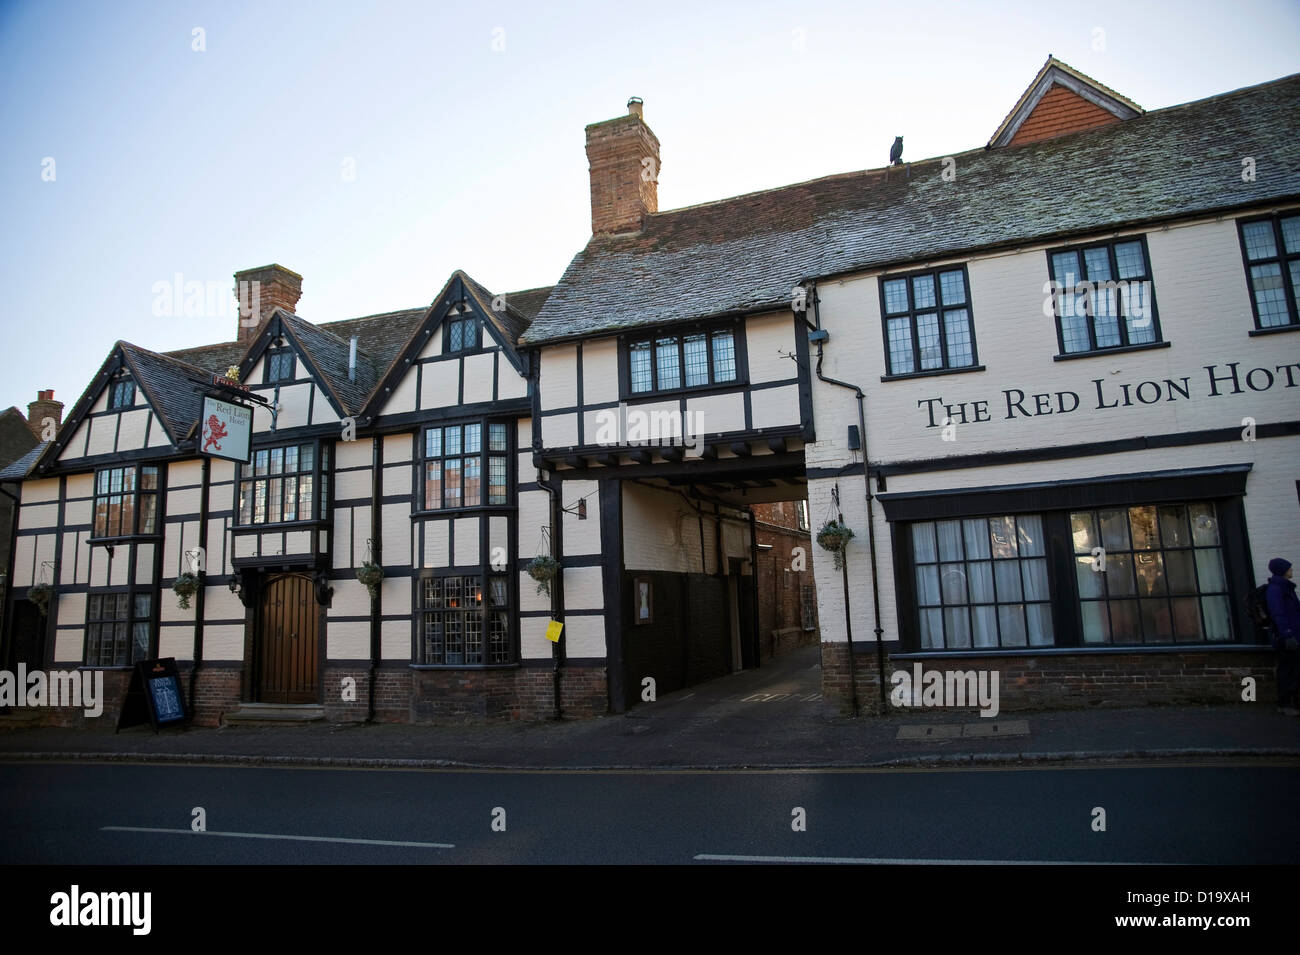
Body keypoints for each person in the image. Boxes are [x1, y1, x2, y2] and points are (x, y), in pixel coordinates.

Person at [1265, 557, 1300, 716]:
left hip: (1293, 634)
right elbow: (1278, 613)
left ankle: (1292, 702)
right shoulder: (1276, 589)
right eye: (1289, 568)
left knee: (1293, 669)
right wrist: (1286, 634)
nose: (1291, 570)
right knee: (1288, 670)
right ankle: (1285, 703)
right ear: (1282, 571)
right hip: (1286, 637)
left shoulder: (1285, 587)